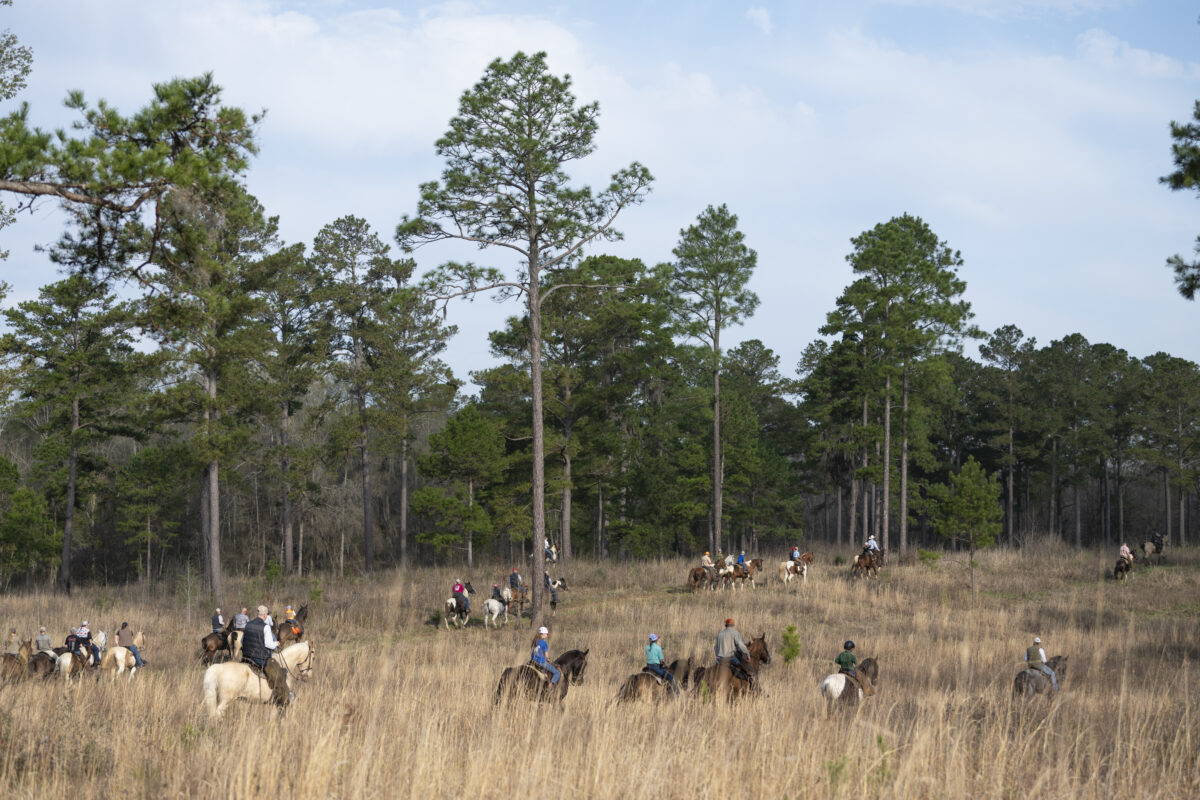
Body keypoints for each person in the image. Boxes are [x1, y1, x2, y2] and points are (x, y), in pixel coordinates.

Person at [241, 605, 289, 705]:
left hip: (246, 657)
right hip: (259, 658)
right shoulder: (265, 627)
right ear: (265, 615)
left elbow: (242, 640)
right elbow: (268, 644)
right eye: (267, 614)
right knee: (279, 674)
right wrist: (276, 643)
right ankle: (281, 698)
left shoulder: (248, 624)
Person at [714, 618, 754, 686]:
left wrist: (718, 656)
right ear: (732, 625)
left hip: (720, 660)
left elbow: (715, 647)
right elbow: (741, 645)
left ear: (725, 625)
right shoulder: (735, 633)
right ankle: (750, 686)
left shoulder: (720, 634)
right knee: (748, 671)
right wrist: (747, 654)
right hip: (731, 659)